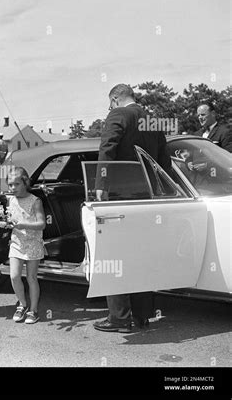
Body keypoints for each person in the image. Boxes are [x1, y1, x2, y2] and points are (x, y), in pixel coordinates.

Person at [93, 84, 171, 333]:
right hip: (147, 198)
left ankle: (119, 318)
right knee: (142, 256)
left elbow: (107, 149)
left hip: (120, 196)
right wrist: (164, 191)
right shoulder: (153, 119)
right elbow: (163, 159)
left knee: (114, 256)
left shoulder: (118, 115)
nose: (109, 108)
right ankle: (142, 316)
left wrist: (101, 186)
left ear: (115, 99)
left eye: (109, 104)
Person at [0, 167, 46, 324]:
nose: (13, 188)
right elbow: (11, 220)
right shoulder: (10, 200)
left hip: (33, 243)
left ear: (25, 182)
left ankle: (33, 310)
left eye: (16, 184)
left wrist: (22, 224)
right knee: (14, 276)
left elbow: (41, 224)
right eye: (10, 184)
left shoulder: (35, 201)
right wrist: (4, 223)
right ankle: (22, 304)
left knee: (31, 278)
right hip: (16, 242)